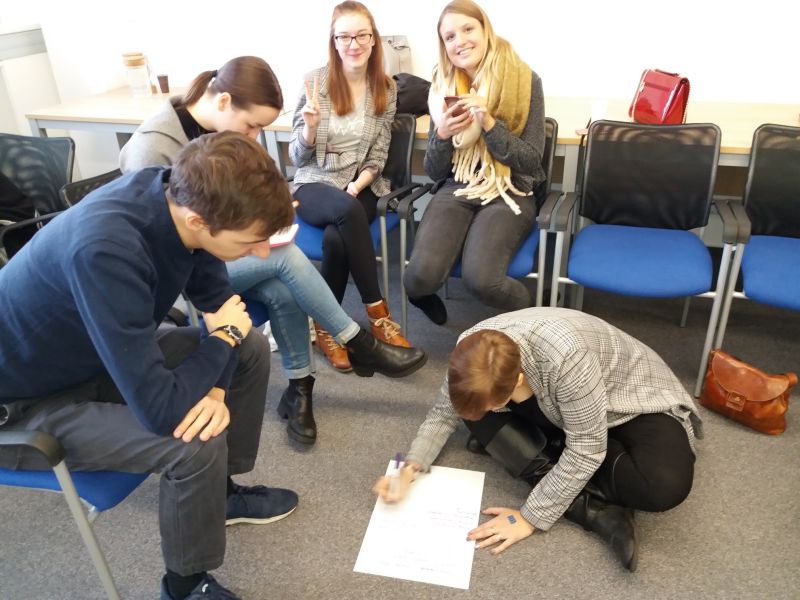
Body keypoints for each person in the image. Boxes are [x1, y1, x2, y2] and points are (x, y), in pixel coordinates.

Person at [1, 132, 300, 600]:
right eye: (253, 241)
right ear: (199, 221)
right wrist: (221, 340)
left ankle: (219, 496)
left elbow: (221, 306)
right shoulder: (106, 248)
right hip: (22, 406)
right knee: (194, 445)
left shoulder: (179, 196)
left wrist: (216, 387)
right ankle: (184, 587)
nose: (263, 252)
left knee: (249, 349)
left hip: (90, 359)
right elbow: (161, 410)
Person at [120, 56, 427, 446]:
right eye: (252, 126)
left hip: (215, 257)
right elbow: (171, 252)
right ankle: (358, 343)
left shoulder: (213, 127)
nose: (254, 137)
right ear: (224, 101)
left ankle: (300, 389)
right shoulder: (153, 151)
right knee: (282, 259)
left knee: (284, 287)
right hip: (177, 279)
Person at [373, 308, 703, 572]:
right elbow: (444, 413)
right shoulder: (470, 351)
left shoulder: (568, 359)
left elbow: (587, 449)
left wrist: (529, 517)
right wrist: (409, 468)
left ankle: (536, 453)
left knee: (663, 486)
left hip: (630, 402)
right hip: (559, 408)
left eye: (494, 403)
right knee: (473, 415)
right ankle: (591, 510)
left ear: (517, 380)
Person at [402, 0, 546, 325]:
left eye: (468, 29)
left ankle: (535, 315)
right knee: (418, 277)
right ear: (444, 45)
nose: (460, 41)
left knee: (482, 280)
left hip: (509, 188)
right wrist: (442, 134)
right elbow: (435, 172)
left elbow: (530, 161)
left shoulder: (525, 80)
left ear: (485, 30)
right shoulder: (442, 86)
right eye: (450, 36)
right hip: (458, 185)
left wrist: (489, 124)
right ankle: (424, 294)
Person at [289, 1, 413, 368]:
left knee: (335, 239)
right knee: (344, 209)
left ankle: (326, 325)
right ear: (334, 41)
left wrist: (359, 184)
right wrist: (310, 129)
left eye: (361, 35)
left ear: (374, 39)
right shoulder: (315, 82)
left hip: (361, 183)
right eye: (344, 37)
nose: (353, 44)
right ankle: (379, 317)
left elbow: (379, 152)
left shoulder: (385, 88)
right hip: (315, 183)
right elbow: (297, 158)